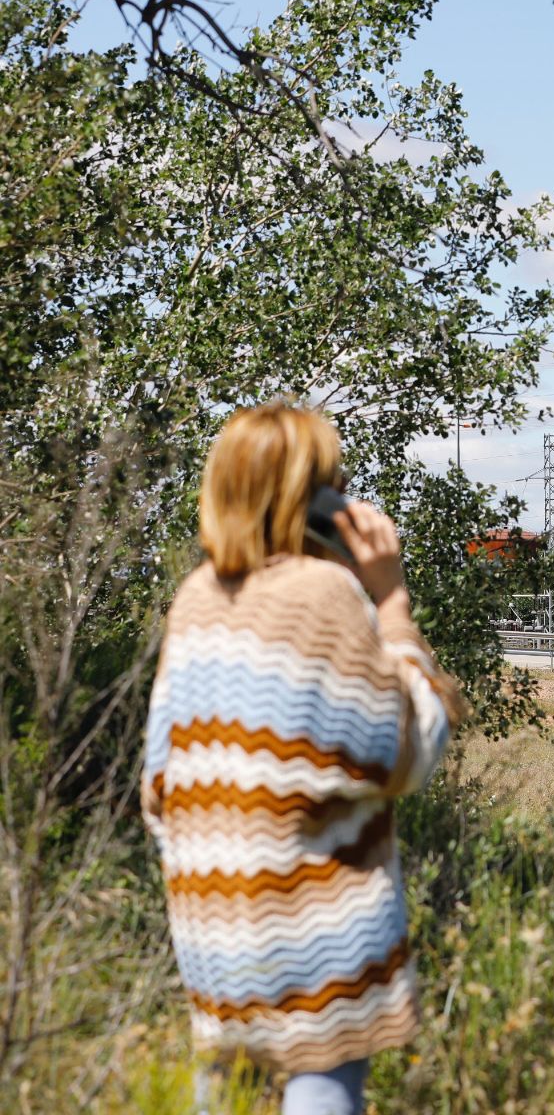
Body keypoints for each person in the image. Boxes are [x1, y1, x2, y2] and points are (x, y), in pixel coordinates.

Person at [141, 404, 467, 1115]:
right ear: (312, 496)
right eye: (333, 479)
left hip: (209, 923)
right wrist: (394, 600)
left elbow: (158, 784)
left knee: (224, 1093)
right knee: (321, 1087)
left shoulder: (195, 600)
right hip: (316, 931)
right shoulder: (326, 596)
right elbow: (411, 749)